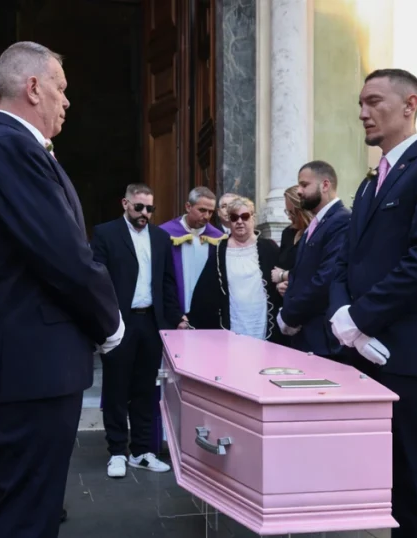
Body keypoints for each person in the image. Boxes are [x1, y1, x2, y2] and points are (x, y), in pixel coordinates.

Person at [0, 41, 123, 538]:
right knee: (27, 515)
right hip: (31, 372)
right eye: (61, 87)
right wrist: (109, 321)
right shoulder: (9, 148)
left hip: (26, 368)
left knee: (8, 504)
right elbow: (63, 254)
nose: (66, 101)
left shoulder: (6, 148)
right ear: (33, 87)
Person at [328, 68, 417, 537]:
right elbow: (346, 262)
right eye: (360, 103)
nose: (363, 113)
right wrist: (342, 317)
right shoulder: (367, 184)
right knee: (393, 483)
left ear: (410, 104)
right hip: (366, 353)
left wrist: (359, 318)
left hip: (413, 355)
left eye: (374, 101)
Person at [91, 183, 183, 479]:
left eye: (150, 208)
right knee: (116, 388)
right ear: (125, 203)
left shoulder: (160, 237)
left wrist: (169, 324)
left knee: (146, 390)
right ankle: (117, 451)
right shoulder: (106, 233)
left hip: (151, 322)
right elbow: (98, 281)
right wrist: (104, 321)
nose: (145, 213)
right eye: (139, 207)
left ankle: (142, 451)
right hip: (119, 321)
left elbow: (168, 282)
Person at [275, 161, 350, 359]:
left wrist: (289, 316)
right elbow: (302, 274)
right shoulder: (316, 224)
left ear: (325, 185)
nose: (299, 191)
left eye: (304, 185)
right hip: (305, 334)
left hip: (322, 337)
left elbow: (325, 279)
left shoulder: (341, 220)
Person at [188, 197, 283, 342]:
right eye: (234, 217)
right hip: (233, 320)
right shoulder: (221, 250)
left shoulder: (268, 247)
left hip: (261, 321)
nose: (239, 221)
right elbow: (206, 291)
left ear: (253, 218)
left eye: (245, 217)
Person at [159, 186, 227, 316]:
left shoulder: (219, 239)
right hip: (173, 311)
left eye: (210, 212)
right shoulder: (165, 234)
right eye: (202, 210)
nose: (206, 216)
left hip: (206, 312)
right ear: (188, 207)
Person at [272, 185, 314, 296]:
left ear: (301, 211)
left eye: (292, 212)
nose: (289, 217)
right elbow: (279, 268)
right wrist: (279, 285)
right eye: (287, 212)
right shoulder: (287, 233)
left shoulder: (315, 233)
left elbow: (311, 271)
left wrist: (283, 276)